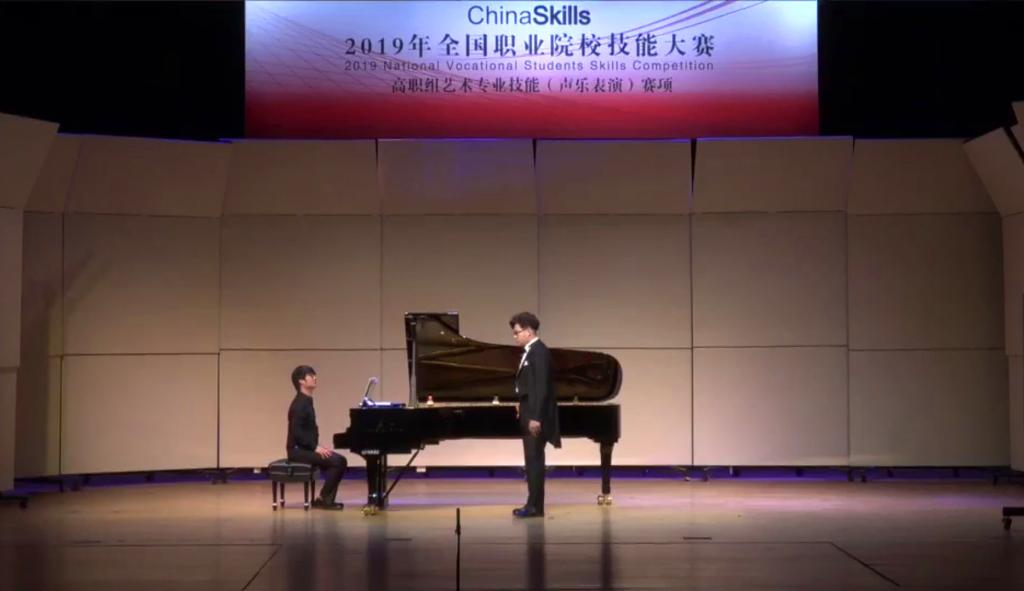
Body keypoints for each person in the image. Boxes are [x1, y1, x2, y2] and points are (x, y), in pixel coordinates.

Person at [509, 312, 561, 518]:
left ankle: (535, 507)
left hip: (535, 414)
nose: (514, 336)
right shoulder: (532, 351)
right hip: (529, 410)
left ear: (529, 331)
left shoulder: (539, 352)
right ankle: (532, 504)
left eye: (517, 332)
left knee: (534, 461)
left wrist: (536, 417)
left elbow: (541, 388)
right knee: (532, 461)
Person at [286, 365, 347, 510]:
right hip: (297, 451)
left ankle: (324, 499)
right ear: (301, 381)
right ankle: (324, 499)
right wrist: (314, 447)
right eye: (311, 375)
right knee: (338, 461)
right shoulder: (299, 404)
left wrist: (316, 447)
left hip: (304, 448)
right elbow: (296, 432)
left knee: (336, 460)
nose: (315, 377)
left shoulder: (306, 401)